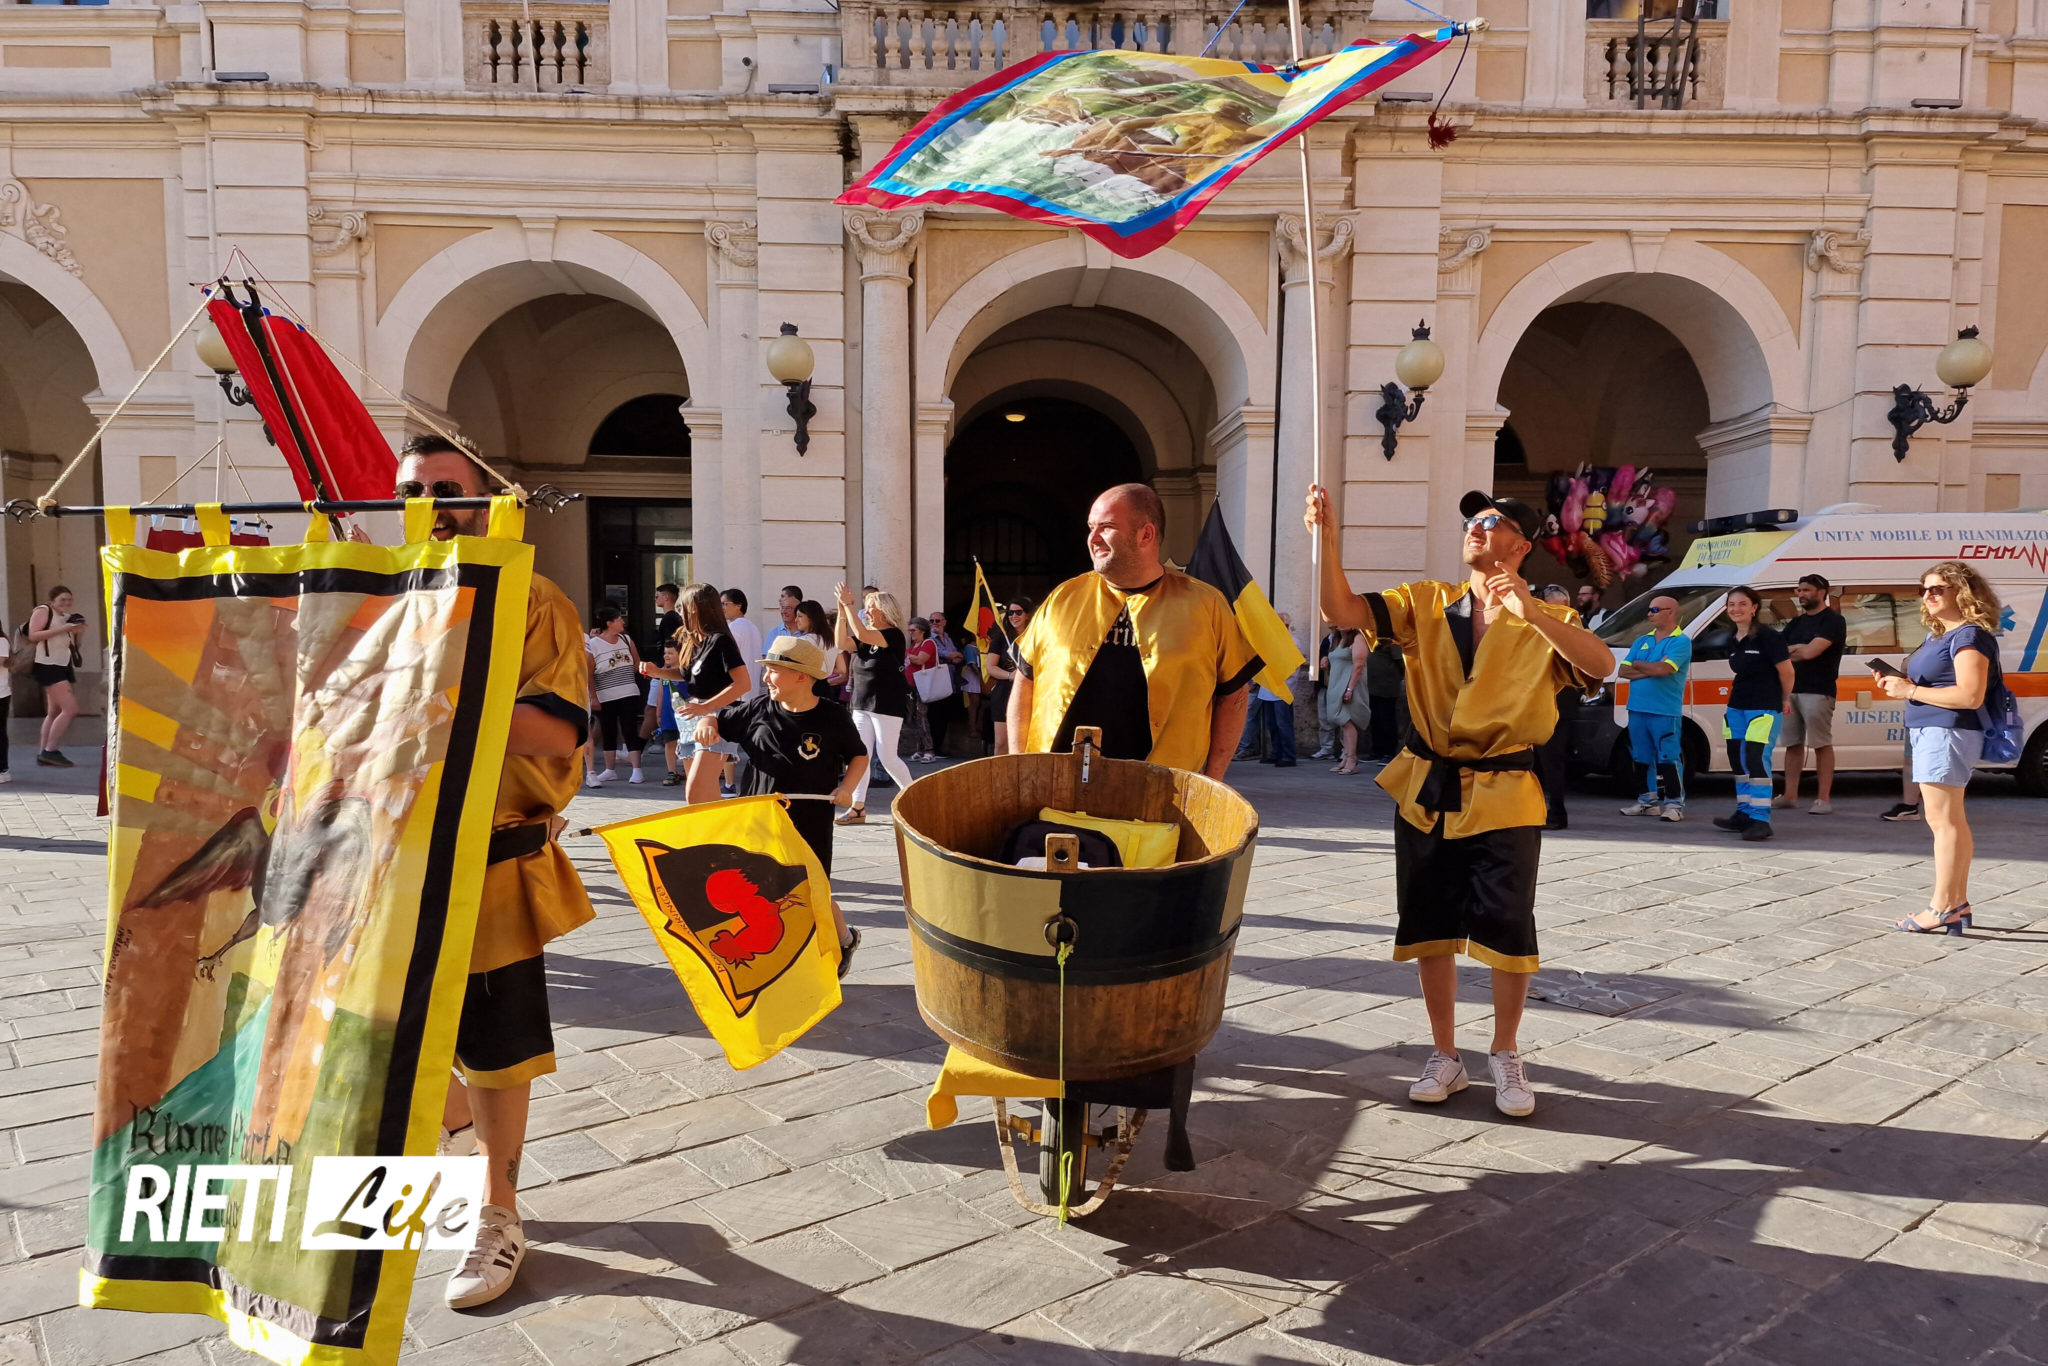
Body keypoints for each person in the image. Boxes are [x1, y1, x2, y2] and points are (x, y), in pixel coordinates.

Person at [1307, 484, 1613, 1120]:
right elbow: (1342, 609)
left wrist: (1532, 613)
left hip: (1506, 791)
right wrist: (1327, 539)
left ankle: (1505, 1051)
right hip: (1428, 786)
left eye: (1493, 521)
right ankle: (1445, 1053)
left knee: (1508, 922)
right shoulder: (1424, 602)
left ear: (1521, 547)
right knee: (1429, 924)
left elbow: (1602, 665)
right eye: (1473, 518)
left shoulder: (1549, 621)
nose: (1477, 525)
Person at [392, 437, 595, 1311]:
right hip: (380, 863)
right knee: (386, 1032)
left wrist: (429, 704)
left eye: (450, 489)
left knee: (496, 1050)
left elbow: (556, 730)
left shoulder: (532, 599)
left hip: (489, 865)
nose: (434, 506)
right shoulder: (378, 595)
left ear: (488, 500)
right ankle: (454, 1142)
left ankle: (496, 1211)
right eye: (413, 491)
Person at [1010, 484, 1258, 777]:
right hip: (1056, 784)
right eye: (1091, 527)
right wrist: (1017, 768)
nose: (1093, 538)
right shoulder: (1063, 598)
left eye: (1107, 527)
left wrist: (1213, 782)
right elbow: (1025, 681)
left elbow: (1234, 693)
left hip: (1161, 788)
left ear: (1146, 534)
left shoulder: (1206, 605)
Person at [695, 635, 868, 974]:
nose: (766, 678)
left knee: (812, 888)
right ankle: (778, 958)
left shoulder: (832, 717)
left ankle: (845, 939)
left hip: (809, 822)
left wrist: (847, 788)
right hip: (758, 821)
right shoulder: (758, 709)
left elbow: (859, 755)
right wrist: (705, 723)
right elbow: (717, 719)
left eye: (773, 671)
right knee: (759, 890)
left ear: (801, 676)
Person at [1881, 561, 2000, 934]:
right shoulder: (1941, 635)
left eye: (1937, 589)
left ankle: (1942, 907)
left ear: (1963, 592)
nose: (1928, 595)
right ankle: (1956, 902)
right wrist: (1902, 683)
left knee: (1943, 822)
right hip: (1934, 730)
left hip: (1947, 732)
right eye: (1925, 589)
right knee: (1951, 821)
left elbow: (1970, 695)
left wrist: (1910, 690)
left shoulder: (1968, 636)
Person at [640, 583, 751, 805]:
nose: (679, 611)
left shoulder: (721, 640)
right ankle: (716, 827)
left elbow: (743, 684)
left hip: (716, 719)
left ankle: (720, 826)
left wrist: (705, 708)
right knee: (701, 796)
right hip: (692, 719)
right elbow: (686, 675)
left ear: (694, 608)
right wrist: (657, 672)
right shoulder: (696, 641)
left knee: (696, 790)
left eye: (682, 606)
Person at [1710, 586, 1792, 842]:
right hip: (1737, 705)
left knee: (1756, 760)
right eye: (1731, 605)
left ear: (1754, 608)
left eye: (1742, 604)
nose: (1736, 609)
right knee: (1738, 759)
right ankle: (1744, 813)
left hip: (1763, 706)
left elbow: (1787, 672)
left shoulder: (1769, 636)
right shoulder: (1733, 638)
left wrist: (1785, 698)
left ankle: (1760, 818)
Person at [833, 583, 917, 824]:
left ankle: (916, 801)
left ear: (884, 611)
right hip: (861, 702)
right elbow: (841, 642)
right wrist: (842, 611)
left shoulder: (893, 635)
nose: (866, 612)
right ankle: (858, 807)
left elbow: (861, 634)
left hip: (886, 703)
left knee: (888, 757)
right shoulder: (866, 637)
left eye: (870, 608)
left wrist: (848, 605)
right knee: (860, 755)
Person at [1617, 594, 1692, 824]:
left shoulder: (1681, 641)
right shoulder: (1642, 640)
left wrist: (1640, 665)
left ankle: (1674, 804)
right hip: (1637, 708)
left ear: (1671, 612)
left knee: (1668, 757)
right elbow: (1623, 671)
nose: (1650, 613)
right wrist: (1651, 668)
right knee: (1640, 756)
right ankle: (1647, 802)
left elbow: (1665, 670)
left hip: (1664, 710)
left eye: (1655, 609)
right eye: (1649, 609)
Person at [1777, 573, 1846, 815]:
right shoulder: (1796, 623)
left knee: (1821, 744)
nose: (1801, 595)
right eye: (1799, 590)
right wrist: (1798, 648)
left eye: (1806, 590)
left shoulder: (1833, 621)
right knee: (1792, 744)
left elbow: (1810, 653)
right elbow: (1778, 652)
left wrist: (1798, 650)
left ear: (1822, 592)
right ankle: (1790, 795)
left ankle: (1823, 799)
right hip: (1790, 691)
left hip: (1818, 690)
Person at [583, 605, 645, 785]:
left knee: (629, 728)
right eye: (618, 619)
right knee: (608, 730)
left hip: (628, 692)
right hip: (605, 694)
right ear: (609, 623)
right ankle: (610, 770)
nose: (622, 622)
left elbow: (637, 663)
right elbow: (589, 673)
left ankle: (637, 769)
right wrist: (593, 696)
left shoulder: (626, 639)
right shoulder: (593, 644)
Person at [26, 585, 86, 767]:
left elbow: (73, 647)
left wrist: (78, 633)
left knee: (54, 712)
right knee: (70, 709)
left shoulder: (65, 617)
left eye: (69, 599)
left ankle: (43, 752)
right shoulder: (43, 611)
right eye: (62, 599)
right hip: (48, 666)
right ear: (52, 601)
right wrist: (64, 628)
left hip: (62, 665)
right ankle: (50, 751)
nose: (66, 603)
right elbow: (33, 635)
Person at [986, 598, 1033, 755]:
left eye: (1018, 612)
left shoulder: (1035, 638)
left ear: (1027, 614)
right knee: (1001, 742)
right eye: (1011, 613)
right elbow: (990, 668)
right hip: (1004, 692)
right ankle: (998, 772)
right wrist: (1010, 675)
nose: (1014, 616)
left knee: (1024, 742)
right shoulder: (1000, 639)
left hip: (1030, 691)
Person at [1321, 628, 1370, 774]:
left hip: (1348, 684)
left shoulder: (1358, 638)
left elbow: (1359, 665)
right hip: (1336, 683)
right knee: (1342, 723)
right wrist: (1326, 660)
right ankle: (1346, 758)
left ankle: (1352, 760)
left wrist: (1349, 689)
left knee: (1347, 722)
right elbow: (1339, 660)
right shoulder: (1337, 639)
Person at [643, 641, 686, 786]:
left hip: (685, 714)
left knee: (687, 742)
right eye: (665, 653)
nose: (666, 656)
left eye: (670, 653)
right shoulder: (663, 672)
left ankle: (688, 770)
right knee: (670, 742)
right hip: (668, 713)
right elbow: (660, 693)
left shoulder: (686, 671)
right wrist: (658, 713)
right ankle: (671, 771)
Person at [924, 608, 965, 758]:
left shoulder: (947, 637)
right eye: (931, 621)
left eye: (937, 620)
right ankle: (933, 748)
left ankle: (939, 747)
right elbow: (938, 653)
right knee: (934, 716)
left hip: (949, 681)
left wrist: (953, 656)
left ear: (944, 622)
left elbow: (957, 655)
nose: (934, 623)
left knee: (944, 716)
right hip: (935, 682)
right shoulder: (929, 638)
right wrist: (951, 656)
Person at [902, 617, 941, 764]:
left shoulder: (928, 643)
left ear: (922, 631)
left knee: (922, 717)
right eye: (909, 630)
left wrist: (905, 654)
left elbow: (920, 660)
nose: (910, 633)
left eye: (913, 630)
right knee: (915, 718)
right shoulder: (914, 645)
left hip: (922, 686)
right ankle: (920, 750)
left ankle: (929, 750)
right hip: (911, 686)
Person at [1363, 636, 1405, 762]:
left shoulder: (1390, 640)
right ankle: (1377, 751)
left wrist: (1397, 677)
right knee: (1375, 720)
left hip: (1387, 687)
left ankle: (1389, 752)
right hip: (1372, 686)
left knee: (1387, 719)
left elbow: (1400, 661)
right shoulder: (1369, 637)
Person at [723, 588, 765, 695]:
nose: (721, 608)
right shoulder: (754, 628)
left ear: (738, 605)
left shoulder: (733, 627)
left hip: (737, 693)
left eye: (724, 604)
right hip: (753, 691)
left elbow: (727, 660)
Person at [764, 583, 804, 652]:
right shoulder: (774, 633)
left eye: (788, 608)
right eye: (782, 608)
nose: (784, 612)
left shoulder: (807, 633)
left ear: (797, 610)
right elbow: (767, 657)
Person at [649, 582, 682, 659]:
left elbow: (670, 643)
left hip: (667, 660)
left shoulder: (669, 618)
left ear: (666, 597)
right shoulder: (674, 616)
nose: (655, 599)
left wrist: (666, 661)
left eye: (657, 596)